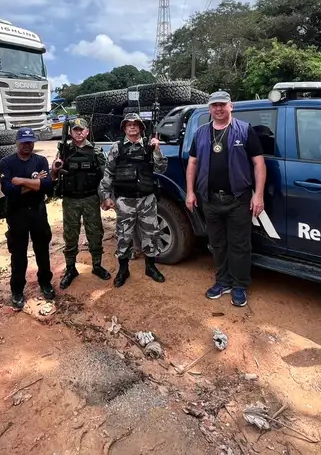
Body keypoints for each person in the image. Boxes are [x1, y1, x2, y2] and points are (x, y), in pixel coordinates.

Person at [185, 90, 266, 308]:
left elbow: (258, 163)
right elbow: (192, 163)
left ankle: (239, 285)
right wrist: (191, 192)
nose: (218, 109)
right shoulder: (201, 133)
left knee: (240, 244)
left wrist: (258, 195)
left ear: (232, 106)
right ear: (209, 108)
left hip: (238, 198)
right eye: (214, 105)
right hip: (209, 200)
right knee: (217, 244)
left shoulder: (245, 130)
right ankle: (223, 281)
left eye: (222, 105)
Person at [99, 112, 168, 288]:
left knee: (151, 234)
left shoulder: (149, 146)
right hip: (125, 201)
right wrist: (105, 196)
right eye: (128, 124)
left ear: (140, 128)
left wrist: (157, 150)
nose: (132, 126)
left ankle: (150, 267)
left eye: (135, 124)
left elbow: (161, 169)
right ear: (124, 128)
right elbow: (108, 173)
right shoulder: (117, 147)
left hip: (147, 200)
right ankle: (124, 270)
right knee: (124, 236)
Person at [51, 118, 111, 289]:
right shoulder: (64, 150)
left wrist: (105, 197)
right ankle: (71, 269)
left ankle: (97, 266)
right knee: (70, 235)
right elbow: (53, 175)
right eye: (75, 130)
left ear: (87, 132)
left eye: (81, 129)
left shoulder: (96, 151)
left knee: (95, 232)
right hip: (70, 199)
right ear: (71, 132)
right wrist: (55, 167)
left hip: (90, 198)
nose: (78, 132)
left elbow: (105, 177)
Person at [0, 128, 55, 309]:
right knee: (18, 254)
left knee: (42, 250)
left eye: (30, 142)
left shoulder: (40, 160)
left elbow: (47, 186)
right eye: (23, 142)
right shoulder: (6, 162)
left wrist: (21, 181)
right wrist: (35, 182)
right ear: (17, 142)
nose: (27, 145)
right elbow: (9, 191)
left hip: (38, 211)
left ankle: (45, 283)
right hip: (17, 212)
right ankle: (17, 290)